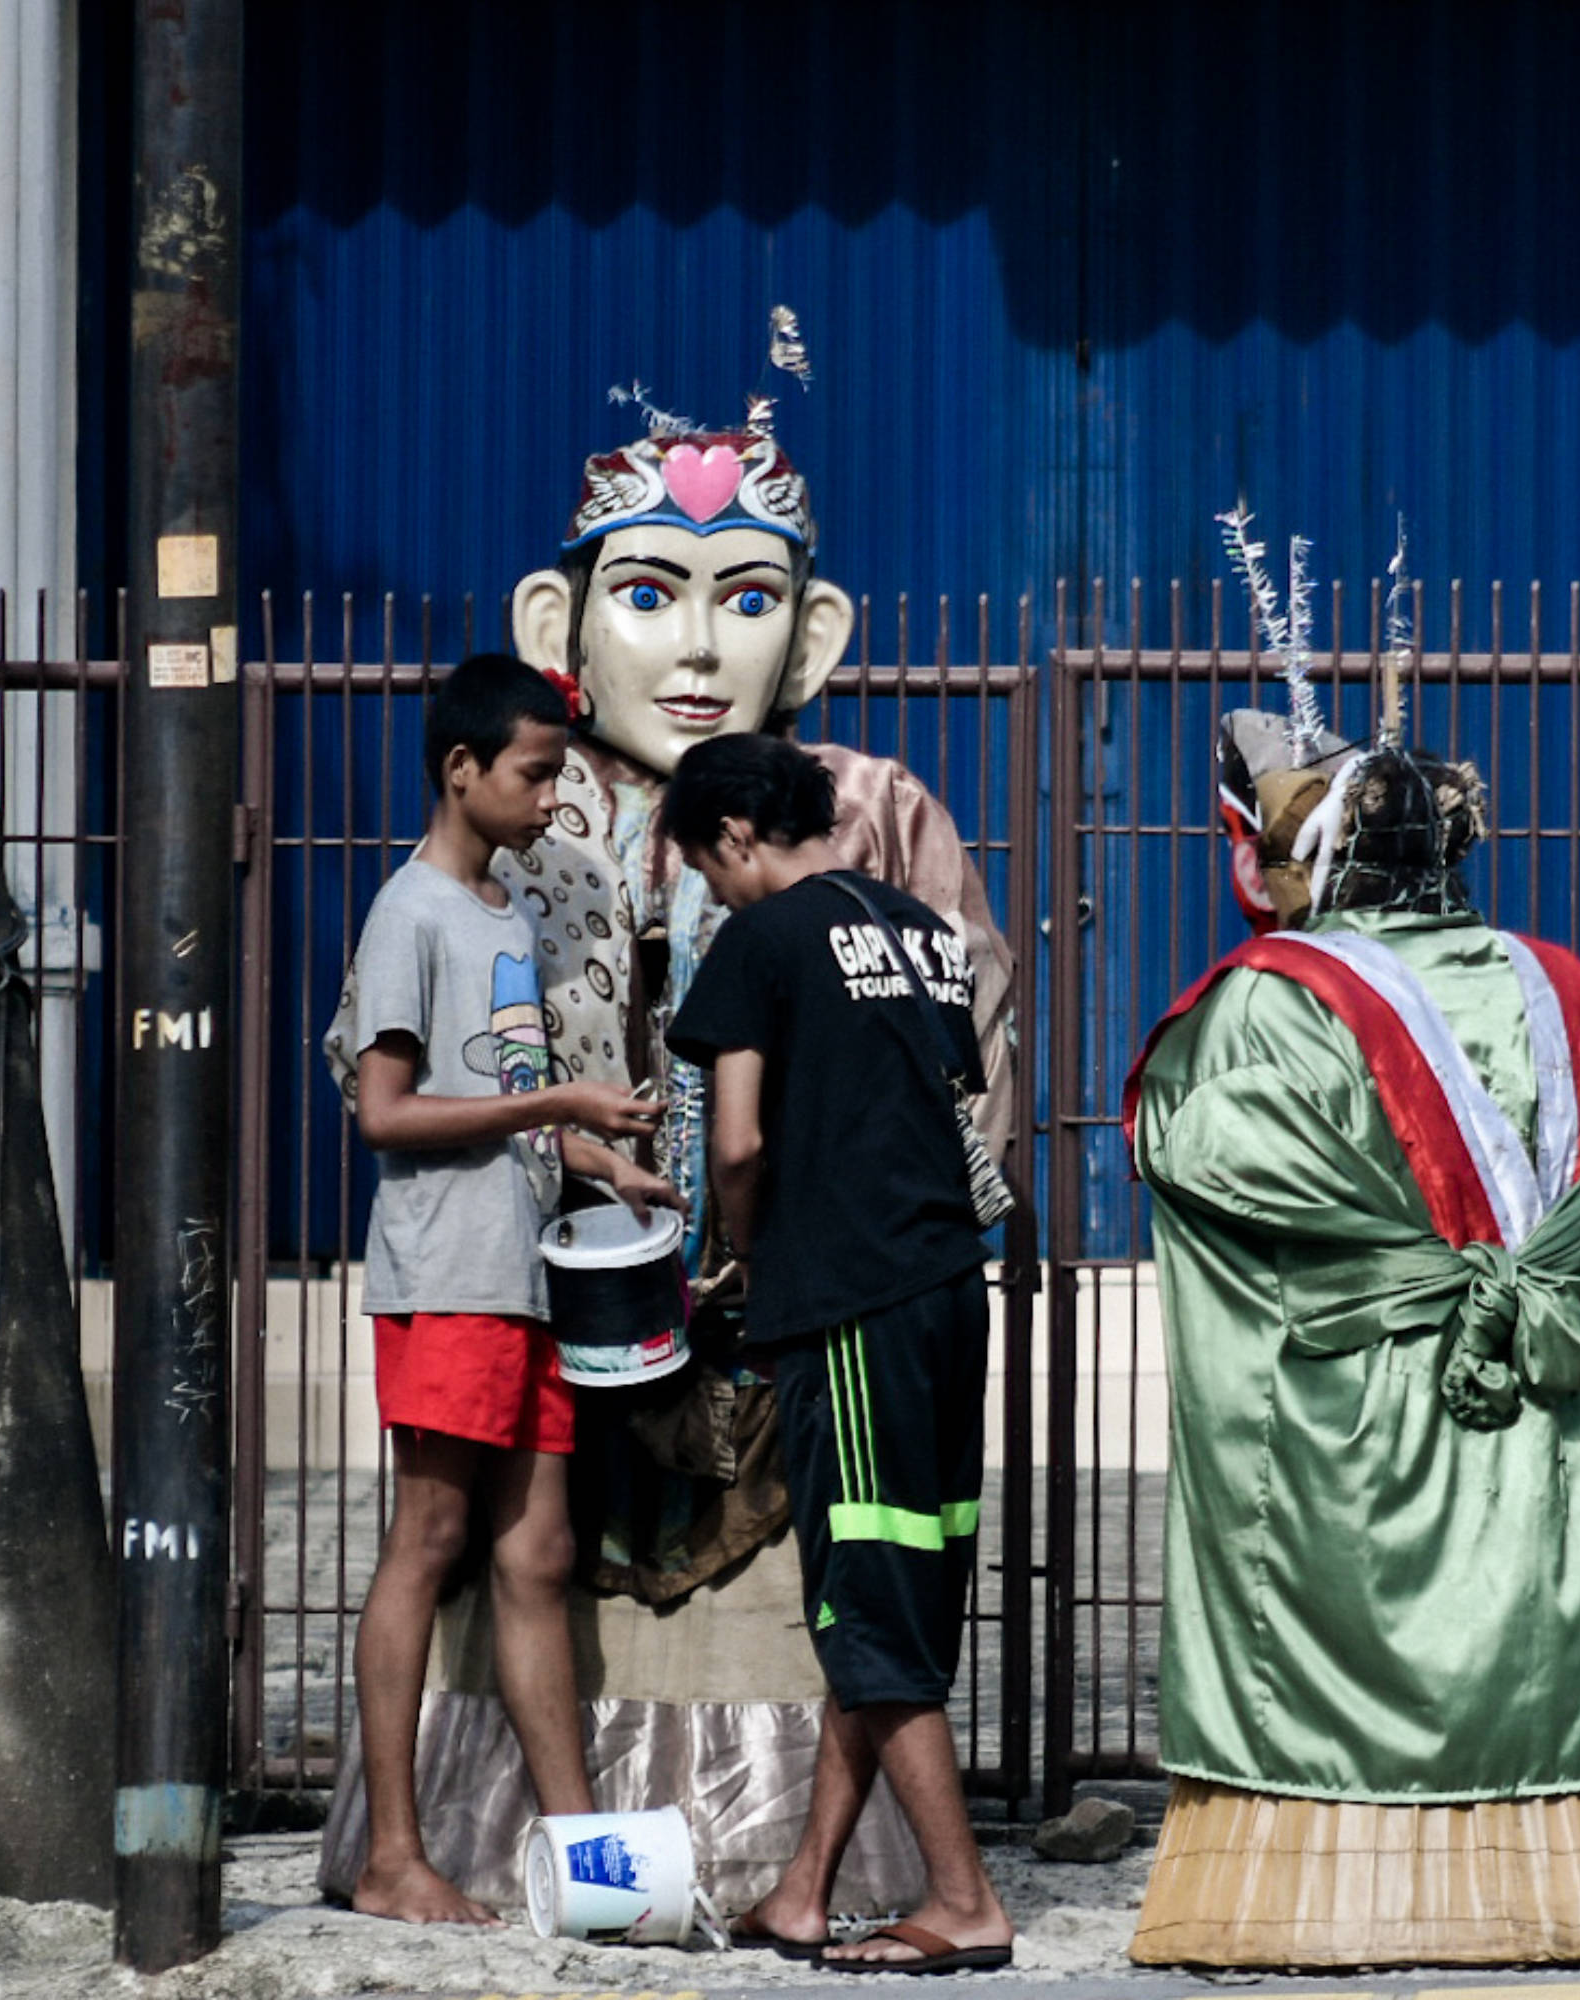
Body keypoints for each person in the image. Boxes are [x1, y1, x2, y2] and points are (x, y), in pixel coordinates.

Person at [322, 346, 1006, 1919]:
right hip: (536, 1274)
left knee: (790, 1574)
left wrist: (738, 1226)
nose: (698, 645)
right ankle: (456, 1848)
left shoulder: (873, 812)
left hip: (775, 1300)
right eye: (649, 593)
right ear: (558, 625)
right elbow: (399, 1084)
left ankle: (778, 1869)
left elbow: (968, 1059)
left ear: (813, 633)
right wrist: (590, 1134)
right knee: (491, 1536)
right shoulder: (492, 874)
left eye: (750, 600)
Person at [1121, 698, 1580, 1966]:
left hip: (1378, 1424)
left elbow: (1201, 1157)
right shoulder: (1572, 992)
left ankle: (1319, 1893)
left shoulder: (1267, 1009)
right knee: (1557, 1648)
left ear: (1288, 859)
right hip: (1562, 1406)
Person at [325, 653, 683, 1923]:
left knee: (539, 1546)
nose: (549, 798)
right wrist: (562, 1101)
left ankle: (583, 1853)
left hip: (523, 1276)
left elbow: (498, 1110)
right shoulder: (411, 910)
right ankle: (391, 1857)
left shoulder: (504, 915)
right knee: (427, 1541)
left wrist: (598, 1162)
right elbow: (386, 1112)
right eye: (534, 774)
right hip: (451, 1277)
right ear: (460, 770)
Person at [660, 731, 1015, 1973]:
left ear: (738, 837)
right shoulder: (916, 928)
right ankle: (805, 1888)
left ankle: (962, 1897)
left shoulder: (756, 941)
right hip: (944, 1289)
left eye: (706, 866)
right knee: (899, 1591)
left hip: (847, 1299)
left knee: (863, 1598)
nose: (711, 889)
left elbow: (741, 1142)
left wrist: (745, 1259)